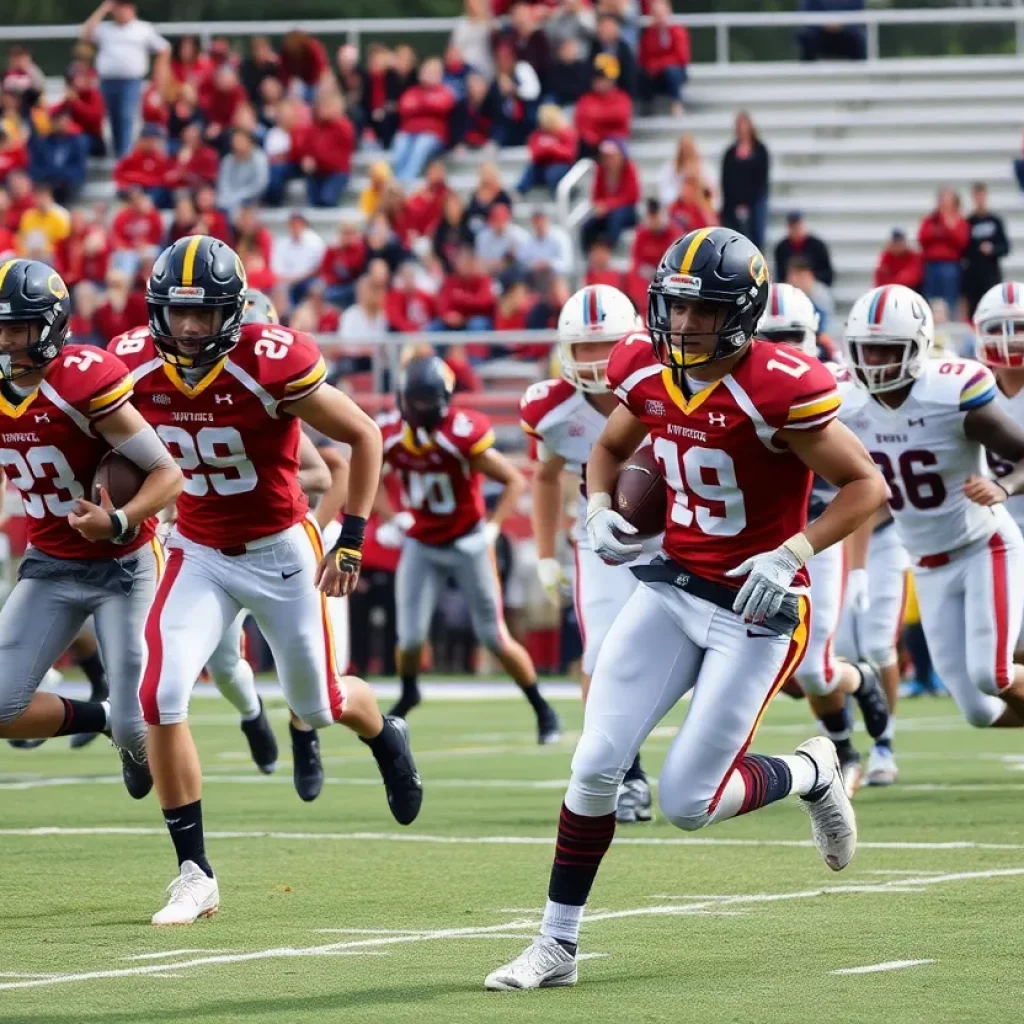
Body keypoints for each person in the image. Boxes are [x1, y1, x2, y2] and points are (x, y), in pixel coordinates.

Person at [485, 226, 886, 991]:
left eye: (701, 311)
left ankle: (810, 770)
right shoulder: (643, 365)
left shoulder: (780, 385)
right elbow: (606, 449)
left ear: (741, 314)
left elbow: (867, 487)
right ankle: (557, 945)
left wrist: (792, 552)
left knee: (687, 802)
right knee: (594, 763)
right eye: (673, 306)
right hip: (671, 589)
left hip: (756, 611)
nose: (682, 324)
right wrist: (599, 506)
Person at [114, 235, 422, 925]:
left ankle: (384, 732)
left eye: (206, 314)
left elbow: (365, 436)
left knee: (317, 706)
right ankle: (194, 873)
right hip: (197, 547)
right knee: (160, 693)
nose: (190, 328)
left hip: (280, 550)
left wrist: (352, 538)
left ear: (236, 311)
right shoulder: (132, 363)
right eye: (179, 313)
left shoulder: (271, 359)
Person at [0, 258, 182, 782]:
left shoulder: (81, 381)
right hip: (49, 563)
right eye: (1, 328)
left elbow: (168, 474)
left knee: (136, 729)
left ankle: (120, 726)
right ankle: (98, 715)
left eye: (19, 327)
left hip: (124, 565)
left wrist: (119, 521)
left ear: (52, 325)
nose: (8, 340)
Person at [841, 283, 1024, 733]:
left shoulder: (949, 394)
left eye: (887, 351)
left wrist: (1003, 486)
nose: (874, 363)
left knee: (993, 674)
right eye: (866, 350)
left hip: (984, 546)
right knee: (980, 713)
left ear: (918, 347)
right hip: (924, 562)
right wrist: (855, 567)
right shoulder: (846, 403)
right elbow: (862, 492)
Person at [375, 353, 562, 746]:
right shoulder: (391, 434)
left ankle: (542, 707)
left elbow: (512, 480)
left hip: (467, 541)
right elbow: (371, 478)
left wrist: (491, 530)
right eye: (416, 400)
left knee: (494, 636)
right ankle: (409, 691)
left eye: (428, 401)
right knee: (408, 639)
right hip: (422, 543)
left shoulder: (460, 433)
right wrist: (393, 517)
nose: (421, 409)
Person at [520, 283, 655, 822]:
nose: (596, 361)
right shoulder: (552, 410)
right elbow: (547, 476)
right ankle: (626, 774)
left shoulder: (662, 385)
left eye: (607, 346)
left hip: (679, 539)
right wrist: (546, 554)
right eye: (584, 348)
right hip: (601, 540)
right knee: (601, 651)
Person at [757, 282, 892, 793]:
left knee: (813, 670)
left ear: (814, 336)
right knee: (787, 675)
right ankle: (855, 681)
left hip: (819, 535)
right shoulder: (738, 384)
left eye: (793, 336)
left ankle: (843, 742)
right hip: (761, 536)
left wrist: (857, 565)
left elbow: (866, 480)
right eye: (772, 336)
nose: (784, 348)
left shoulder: (839, 386)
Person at [81, 0, 170, 158]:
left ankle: (124, 155)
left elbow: (164, 48)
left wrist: (159, 74)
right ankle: (115, 153)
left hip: (130, 81)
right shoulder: (105, 28)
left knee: (126, 117)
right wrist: (102, 9)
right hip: (107, 81)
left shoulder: (143, 29)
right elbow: (85, 34)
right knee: (111, 118)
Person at [390, 59, 455, 184]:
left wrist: (419, 104)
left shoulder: (445, 91)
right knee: (400, 143)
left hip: (432, 135)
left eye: (433, 72)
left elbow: (443, 106)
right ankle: (396, 182)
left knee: (421, 145)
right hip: (408, 132)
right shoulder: (411, 91)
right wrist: (428, 103)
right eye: (426, 71)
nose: (428, 74)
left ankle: (405, 183)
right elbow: (404, 108)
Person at [720, 111, 770, 250]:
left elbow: (761, 178)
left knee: (756, 234)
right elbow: (726, 179)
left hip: (755, 200)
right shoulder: (730, 153)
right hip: (734, 202)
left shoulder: (760, 150)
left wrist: (748, 201)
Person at [579, 139, 639, 252]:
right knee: (587, 226)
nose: (608, 159)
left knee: (616, 218)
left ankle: (608, 251)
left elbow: (632, 196)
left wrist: (607, 205)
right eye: (605, 156)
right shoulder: (601, 170)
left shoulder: (629, 168)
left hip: (626, 211)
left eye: (611, 156)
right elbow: (596, 195)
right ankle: (589, 255)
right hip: (606, 210)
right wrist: (599, 206)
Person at [298, 92, 356, 209]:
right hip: (317, 171)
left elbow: (349, 140)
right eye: (322, 106)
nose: (324, 110)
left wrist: (336, 118)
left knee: (327, 198)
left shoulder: (344, 126)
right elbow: (305, 148)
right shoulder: (313, 128)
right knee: (313, 200)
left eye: (328, 106)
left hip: (337, 172)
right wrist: (306, 159)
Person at [917, 188, 969, 314]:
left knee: (950, 298)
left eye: (947, 199)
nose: (943, 202)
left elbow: (961, 241)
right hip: (931, 264)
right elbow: (923, 237)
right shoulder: (931, 219)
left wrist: (944, 230)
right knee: (932, 298)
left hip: (950, 265)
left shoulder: (959, 220)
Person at [962, 183, 1009, 319]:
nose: (979, 199)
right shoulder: (968, 222)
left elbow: (1005, 247)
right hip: (973, 274)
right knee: (974, 311)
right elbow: (963, 248)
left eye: (981, 195)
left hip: (991, 274)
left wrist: (992, 249)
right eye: (977, 196)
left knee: (993, 309)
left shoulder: (995, 221)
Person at [638, 0, 690, 115]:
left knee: (671, 71)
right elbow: (644, 58)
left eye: (661, 13)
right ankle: (647, 105)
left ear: (668, 12)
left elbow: (681, 57)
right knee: (642, 73)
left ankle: (676, 103)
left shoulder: (678, 31)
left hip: (674, 72)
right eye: (655, 13)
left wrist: (658, 64)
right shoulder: (649, 34)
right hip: (656, 74)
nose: (659, 17)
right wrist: (653, 66)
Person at [518, 104, 577, 197]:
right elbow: (534, 154)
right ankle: (518, 192)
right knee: (531, 169)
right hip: (543, 165)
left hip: (561, 166)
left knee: (554, 172)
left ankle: (558, 196)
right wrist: (545, 149)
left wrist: (552, 148)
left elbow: (569, 154)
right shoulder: (537, 134)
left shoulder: (566, 133)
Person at [215, 129, 269, 218]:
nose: (237, 143)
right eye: (235, 140)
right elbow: (223, 183)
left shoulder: (259, 158)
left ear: (249, 141)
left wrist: (238, 196)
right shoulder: (228, 160)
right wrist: (229, 197)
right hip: (229, 199)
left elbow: (260, 185)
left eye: (240, 140)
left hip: (252, 199)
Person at [774, 211, 833, 287]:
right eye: (792, 227)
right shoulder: (781, 248)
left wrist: (809, 277)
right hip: (791, 286)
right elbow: (780, 275)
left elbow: (828, 274)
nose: (795, 230)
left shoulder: (817, 245)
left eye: (798, 226)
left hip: (813, 285)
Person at [796, 0, 867, 62]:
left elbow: (858, 13)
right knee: (805, 36)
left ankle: (861, 71)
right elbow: (806, 13)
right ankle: (806, 72)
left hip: (847, 33)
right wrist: (823, 23)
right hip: (818, 32)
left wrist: (841, 24)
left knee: (860, 38)